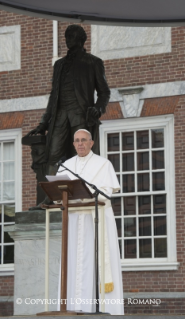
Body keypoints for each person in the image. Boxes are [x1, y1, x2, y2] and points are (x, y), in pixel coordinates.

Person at [27, 24, 110, 199]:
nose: (67, 40)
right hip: (60, 116)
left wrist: (97, 108)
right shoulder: (59, 65)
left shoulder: (93, 62)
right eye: (66, 36)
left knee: (80, 155)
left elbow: (104, 92)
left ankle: (81, 196)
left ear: (81, 39)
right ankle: (50, 198)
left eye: (71, 36)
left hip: (81, 115)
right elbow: (53, 96)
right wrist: (43, 123)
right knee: (53, 155)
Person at [56, 129, 124, 315]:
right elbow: (58, 194)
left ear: (91, 143)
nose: (80, 144)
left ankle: (102, 309)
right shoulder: (65, 166)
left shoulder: (104, 164)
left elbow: (107, 194)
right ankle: (71, 309)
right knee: (73, 263)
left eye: (84, 140)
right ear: (73, 143)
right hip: (73, 220)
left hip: (96, 220)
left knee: (95, 263)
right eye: (77, 140)